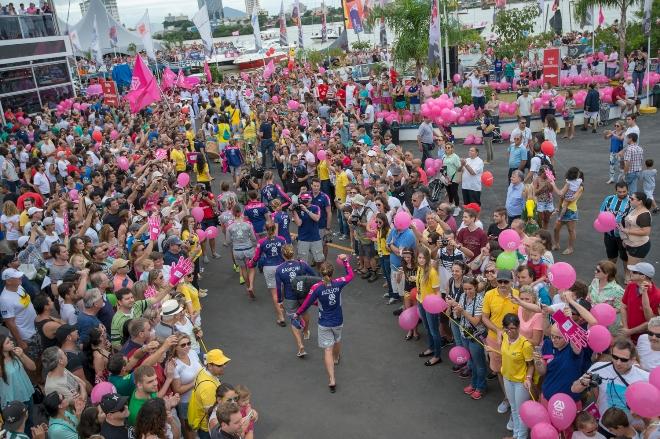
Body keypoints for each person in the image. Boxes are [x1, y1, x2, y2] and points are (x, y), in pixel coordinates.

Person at [293, 254, 353, 392]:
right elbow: (350, 275)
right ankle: (336, 358)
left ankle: (332, 379)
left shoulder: (317, 288)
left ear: (320, 272)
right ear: (332, 273)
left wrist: (297, 314)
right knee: (337, 340)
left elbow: (306, 303)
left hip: (324, 322)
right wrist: (345, 261)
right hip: (338, 319)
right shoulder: (338, 282)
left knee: (327, 349)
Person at [571, 338, 649, 437]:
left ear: (633, 359)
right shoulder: (598, 367)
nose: (618, 362)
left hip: (631, 431)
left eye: (624, 359)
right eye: (615, 357)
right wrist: (582, 383)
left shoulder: (645, 377)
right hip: (605, 427)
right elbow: (574, 389)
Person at [492, 313, 534, 439]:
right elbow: (506, 354)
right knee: (514, 409)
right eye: (507, 328)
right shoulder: (504, 336)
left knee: (521, 412)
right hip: (507, 378)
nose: (510, 331)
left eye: (513, 328)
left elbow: (531, 365)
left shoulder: (525, 344)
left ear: (518, 327)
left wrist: (528, 379)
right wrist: (492, 350)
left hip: (520, 382)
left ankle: (521, 437)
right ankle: (516, 435)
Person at [188, 348, 231, 438]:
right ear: (210, 366)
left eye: (224, 363)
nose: (224, 366)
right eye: (219, 365)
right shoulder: (208, 388)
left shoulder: (202, 371)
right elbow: (212, 413)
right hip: (208, 429)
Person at [414, 246, 443, 367]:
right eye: (419, 257)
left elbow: (438, 292)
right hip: (420, 301)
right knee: (427, 328)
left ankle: (437, 356)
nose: (421, 260)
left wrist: (438, 307)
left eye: (423, 258)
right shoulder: (420, 269)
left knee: (434, 331)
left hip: (430, 306)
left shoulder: (432, 272)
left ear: (427, 258)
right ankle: (431, 348)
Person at [620, 262, 660, 342]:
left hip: (645, 339)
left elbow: (652, 321)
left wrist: (630, 331)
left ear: (643, 276)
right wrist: (625, 328)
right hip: (627, 334)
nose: (630, 272)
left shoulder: (657, 295)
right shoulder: (631, 286)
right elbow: (623, 306)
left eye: (634, 272)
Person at [588, 260, 625, 335]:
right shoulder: (595, 281)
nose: (595, 271)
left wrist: (603, 314)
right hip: (591, 317)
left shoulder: (617, 290)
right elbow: (589, 293)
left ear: (607, 274)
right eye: (596, 269)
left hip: (606, 323)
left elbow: (619, 308)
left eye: (598, 270)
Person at [619, 192, 652, 265]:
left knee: (632, 269)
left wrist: (627, 231)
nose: (630, 200)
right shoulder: (635, 209)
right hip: (631, 243)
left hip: (638, 246)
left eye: (632, 199)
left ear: (640, 201)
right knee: (631, 267)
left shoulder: (644, 215)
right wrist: (626, 240)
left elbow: (646, 232)